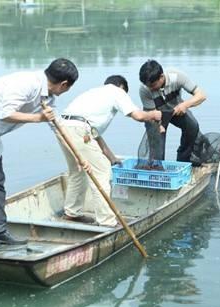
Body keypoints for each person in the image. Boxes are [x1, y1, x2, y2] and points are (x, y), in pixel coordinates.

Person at [0, 58, 79, 252]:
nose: (66, 91)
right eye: (68, 88)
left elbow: (56, 125)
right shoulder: (26, 84)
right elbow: (6, 113)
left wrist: (78, 157)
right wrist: (38, 118)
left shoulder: (48, 98)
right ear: (64, 84)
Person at [57, 75, 161, 227]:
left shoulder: (94, 93)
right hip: (80, 130)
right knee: (102, 172)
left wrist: (112, 158)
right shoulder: (117, 92)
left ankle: (72, 213)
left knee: (76, 173)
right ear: (121, 87)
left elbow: (95, 136)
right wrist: (153, 114)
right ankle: (107, 221)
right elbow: (138, 115)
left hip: (63, 128)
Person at [139, 59, 207, 162]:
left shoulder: (177, 77)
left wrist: (185, 105)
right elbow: (150, 114)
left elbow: (201, 95)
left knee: (192, 126)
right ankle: (157, 167)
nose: (150, 88)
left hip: (176, 110)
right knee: (157, 148)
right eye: (148, 86)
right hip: (156, 115)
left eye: (153, 85)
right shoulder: (144, 89)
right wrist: (160, 126)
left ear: (161, 77)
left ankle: (183, 161)